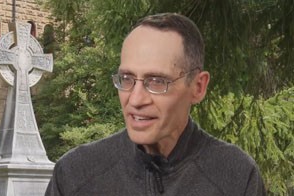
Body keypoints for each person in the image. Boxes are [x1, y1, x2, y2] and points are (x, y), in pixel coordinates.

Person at [45, 13, 266, 196]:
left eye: (157, 81)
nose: (136, 99)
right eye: (127, 79)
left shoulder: (236, 177)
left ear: (198, 87)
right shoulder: (75, 174)